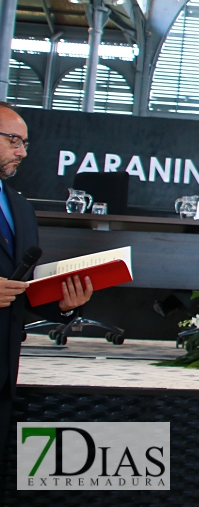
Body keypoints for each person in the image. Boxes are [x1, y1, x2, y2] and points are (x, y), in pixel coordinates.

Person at [0, 103, 93, 466]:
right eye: (13, 141)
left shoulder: (20, 207)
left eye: (24, 143)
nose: (22, 152)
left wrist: (63, 304)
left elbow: (23, 289)